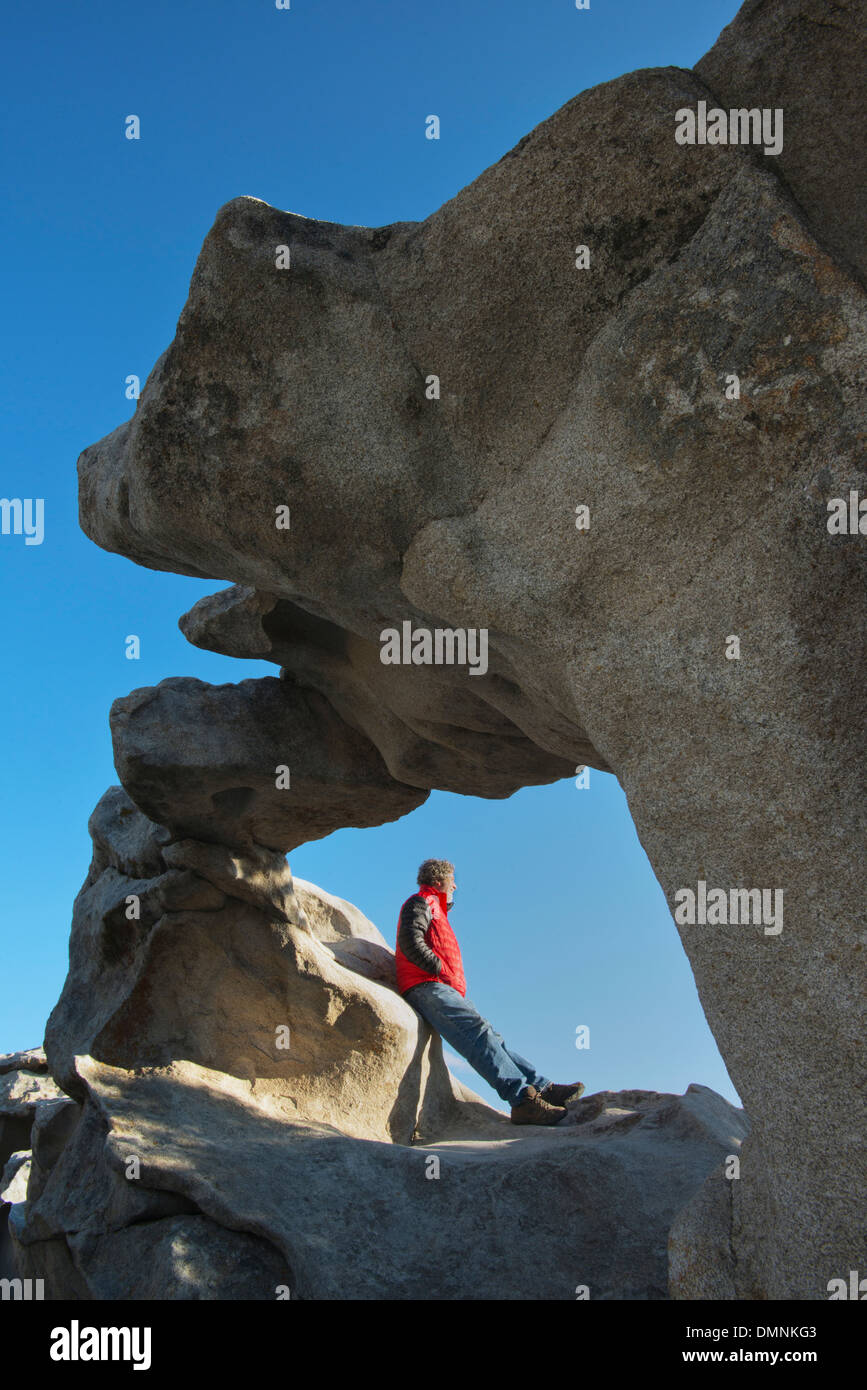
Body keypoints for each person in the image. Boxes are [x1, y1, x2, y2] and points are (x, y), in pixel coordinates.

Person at [395, 858, 584, 1125]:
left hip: (442, 987)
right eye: (452, 881)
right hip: (426, 985)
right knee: (478, 1033)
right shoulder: (421, 902)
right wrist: (438, 967)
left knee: (493, 1036)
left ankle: (542, 1088)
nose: (455, 886)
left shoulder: (437, 909)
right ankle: (522, 1101)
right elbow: (409, 939)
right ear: (439, 881)